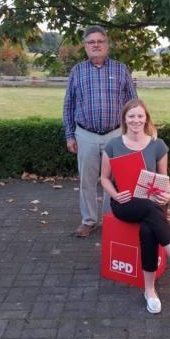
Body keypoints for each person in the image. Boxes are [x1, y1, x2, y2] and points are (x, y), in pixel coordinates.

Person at [100, 100, 170, 313]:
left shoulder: (158, 145)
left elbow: (163, 178)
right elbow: (104, 179)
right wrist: (116, 195)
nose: (136, 120)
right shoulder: (112, 145)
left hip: (154, 201)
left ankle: (149, 290)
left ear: (146, 118)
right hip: (125, 203)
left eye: (140, 116)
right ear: (124, 119)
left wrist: (167, 194)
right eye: (131, 116)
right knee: (149, 211)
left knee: (149, 229)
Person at [63, 25, 138, 237]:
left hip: (115, 135)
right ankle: (88, 220)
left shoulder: (120, 69)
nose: (96, 45)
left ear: (107, 44)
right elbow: (68, 105)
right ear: (85, 47)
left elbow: (133, 104)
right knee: (87, 180)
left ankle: (110, 218)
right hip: (85, 134)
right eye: (91, 42)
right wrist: (70, 135)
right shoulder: (77, 71)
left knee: (114, 181)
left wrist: (132, 134)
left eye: (100, 41)